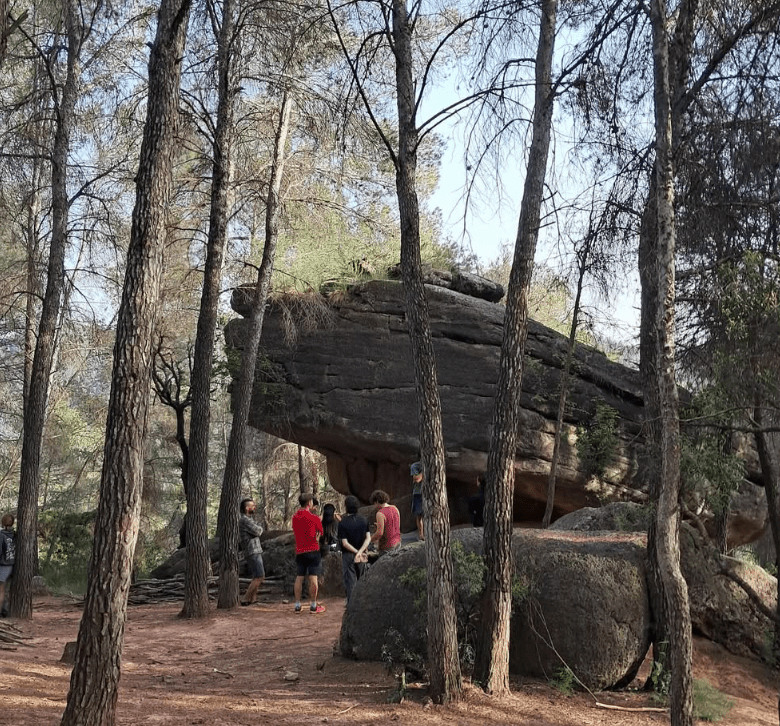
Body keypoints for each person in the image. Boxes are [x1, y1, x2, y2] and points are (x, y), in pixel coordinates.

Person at [292, 492, 326, 613]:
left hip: (300, 550)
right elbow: (320, 532)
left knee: (299, 577)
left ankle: (297, 604)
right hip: (313, 550)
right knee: (313, 578)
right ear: (309, 502)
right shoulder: (314, 518)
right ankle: (313, 605)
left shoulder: (295, 517)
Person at [337, 496, 370, 604]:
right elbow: (368, 538)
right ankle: (363, 603)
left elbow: (344, 543)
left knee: (350, 582)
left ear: (346, 507)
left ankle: (352, 606)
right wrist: (361, 552)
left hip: (348, 555)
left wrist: (356, 552)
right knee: (363, 579)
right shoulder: (364, 520)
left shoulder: (342, 523)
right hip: (362, 554)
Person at [239, 498, 265, 606]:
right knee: (259, 576)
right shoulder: (245, 520)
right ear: (246, 508)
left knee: (258, 576)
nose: (255, 507)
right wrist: (260, 528)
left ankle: (253, 599)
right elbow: (258, 531)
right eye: (252, 505)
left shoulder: (249, 519)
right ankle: (245, 599)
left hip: (255, 550)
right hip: (252, 551)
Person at [370, 490, 401, 554]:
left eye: (374, 503)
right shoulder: (395, 508)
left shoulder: (380, 514)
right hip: (398, 542)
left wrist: (369, 540)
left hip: (387, 546)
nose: (374, 506)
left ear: (377, 501)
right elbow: (398, 526)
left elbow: (379, 533)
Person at [0, 513, 15, 618]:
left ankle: (1, 612)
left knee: (1, 590)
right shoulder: (14, 534)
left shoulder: (1, 535)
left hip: (3, 565)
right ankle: (5, 610)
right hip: (11, 565)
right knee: (6, 589)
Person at [410, 461, 425, 541]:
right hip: (418, 493)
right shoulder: (415, 466)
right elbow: (417, 479)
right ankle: (421, 535)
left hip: (429, 493)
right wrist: (424, 471)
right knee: (419, 515)